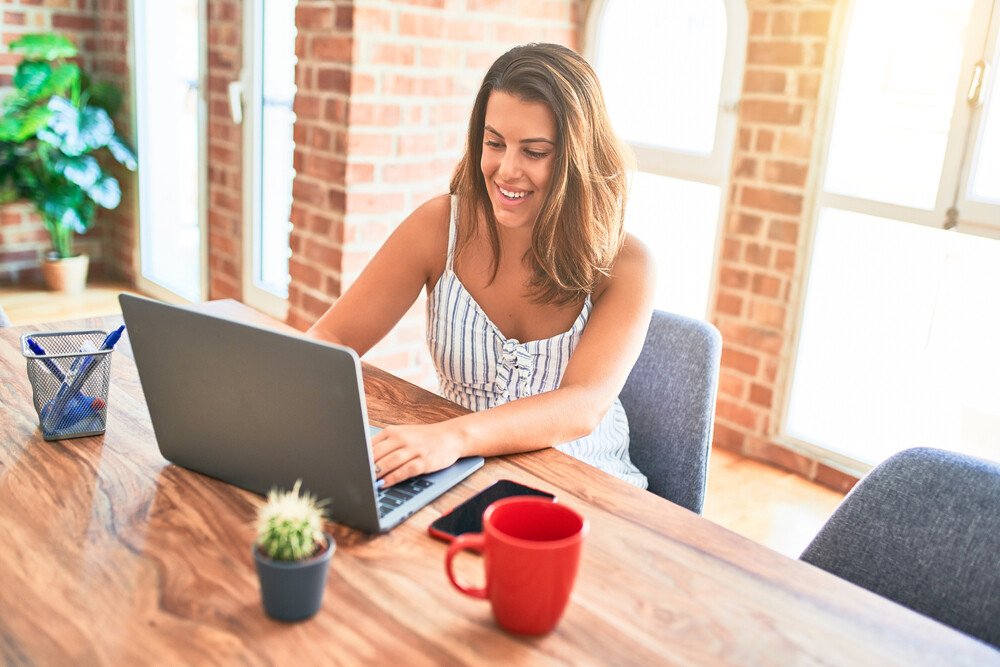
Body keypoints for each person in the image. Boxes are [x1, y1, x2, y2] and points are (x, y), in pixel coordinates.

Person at [307, 43, 655, 489]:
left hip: (582, 481)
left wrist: (454, 436)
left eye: (534, 152)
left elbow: (582, 405)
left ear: (577, 157)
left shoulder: (627, 265)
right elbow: (331, 338)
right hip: (461, 472)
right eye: (494, 143)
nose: (507, 169)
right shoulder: (439, 226)